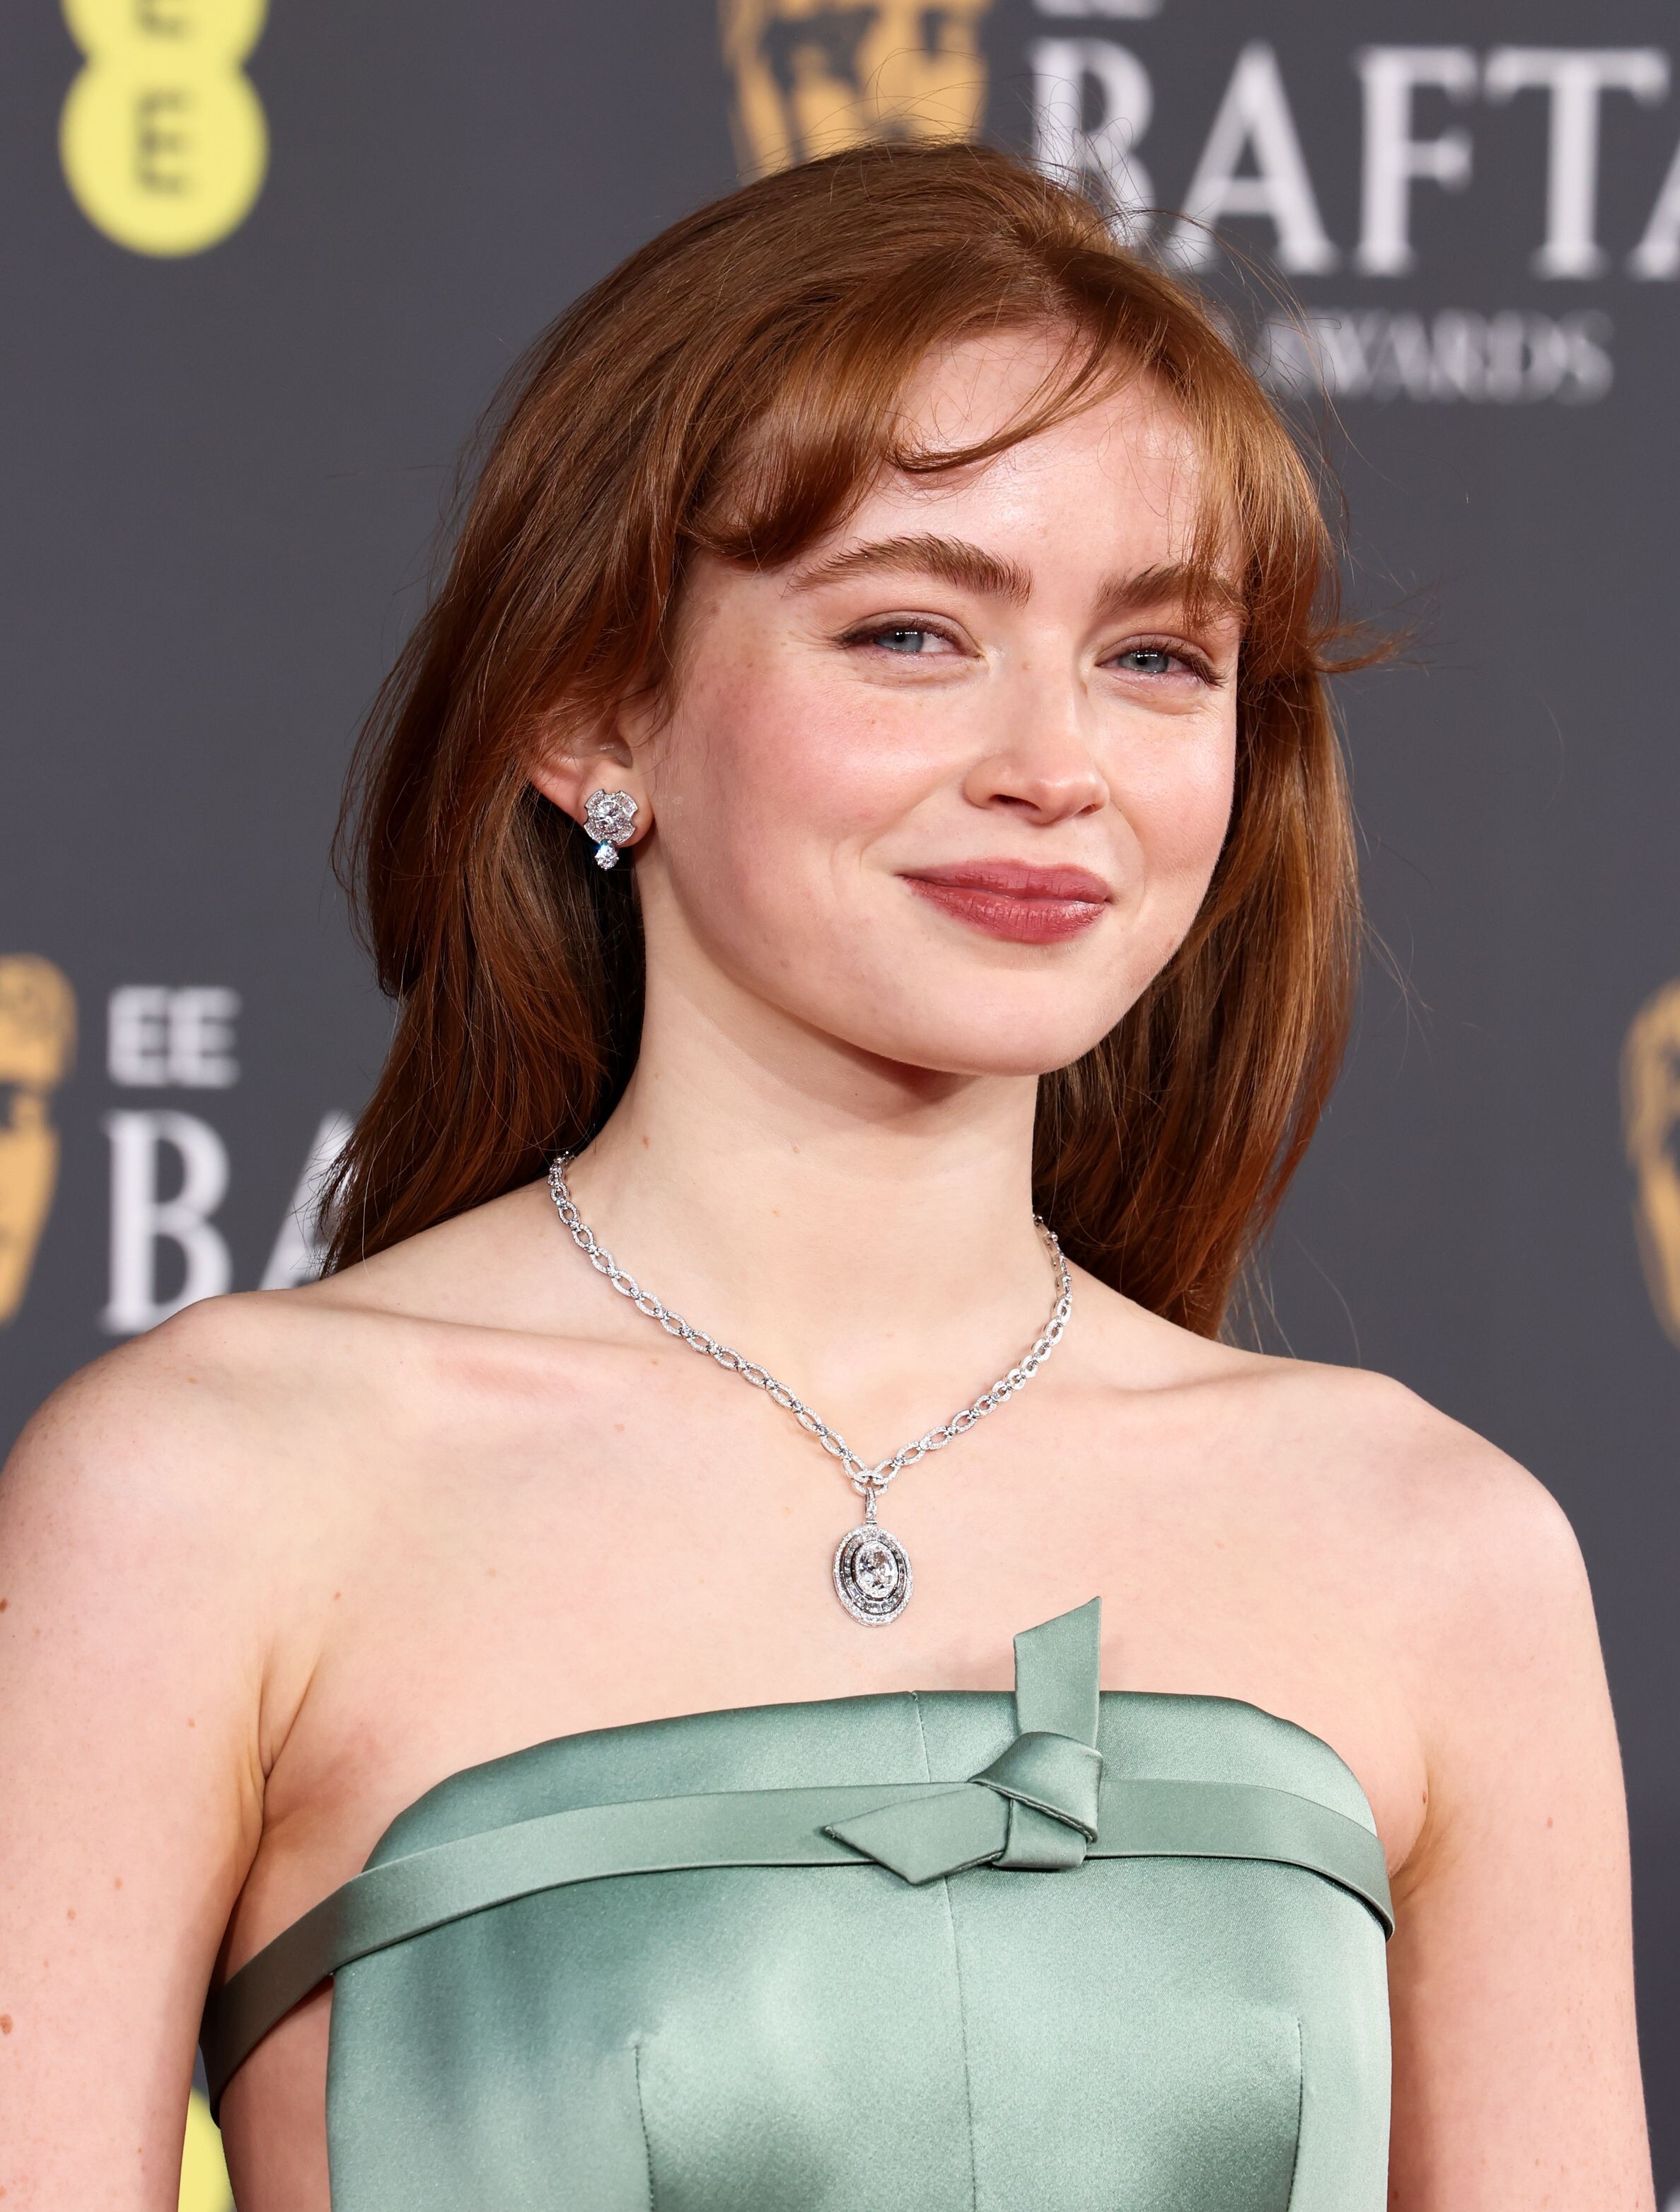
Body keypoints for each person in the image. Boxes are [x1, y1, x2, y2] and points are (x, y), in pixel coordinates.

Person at [0, 143, 1654, 2211]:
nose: (1055, 765)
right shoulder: (208, 1496)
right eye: (911, 633)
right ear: (593, 715)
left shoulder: (1437, 1551)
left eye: (1157, 658)